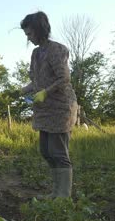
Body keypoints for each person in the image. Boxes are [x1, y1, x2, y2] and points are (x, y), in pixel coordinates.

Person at [19, 11, 78, 198]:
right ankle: (56, 192)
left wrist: (46, 91)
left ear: (39, 30)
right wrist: (21, 91)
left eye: (30, 34)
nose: (28, 38)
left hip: (60, 107)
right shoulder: (36, 54)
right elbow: (35, 81)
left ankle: (63, 196)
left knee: (58, 152)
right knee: (46, 151)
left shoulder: (57, 50)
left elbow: (64, 78)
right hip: (45, 110)